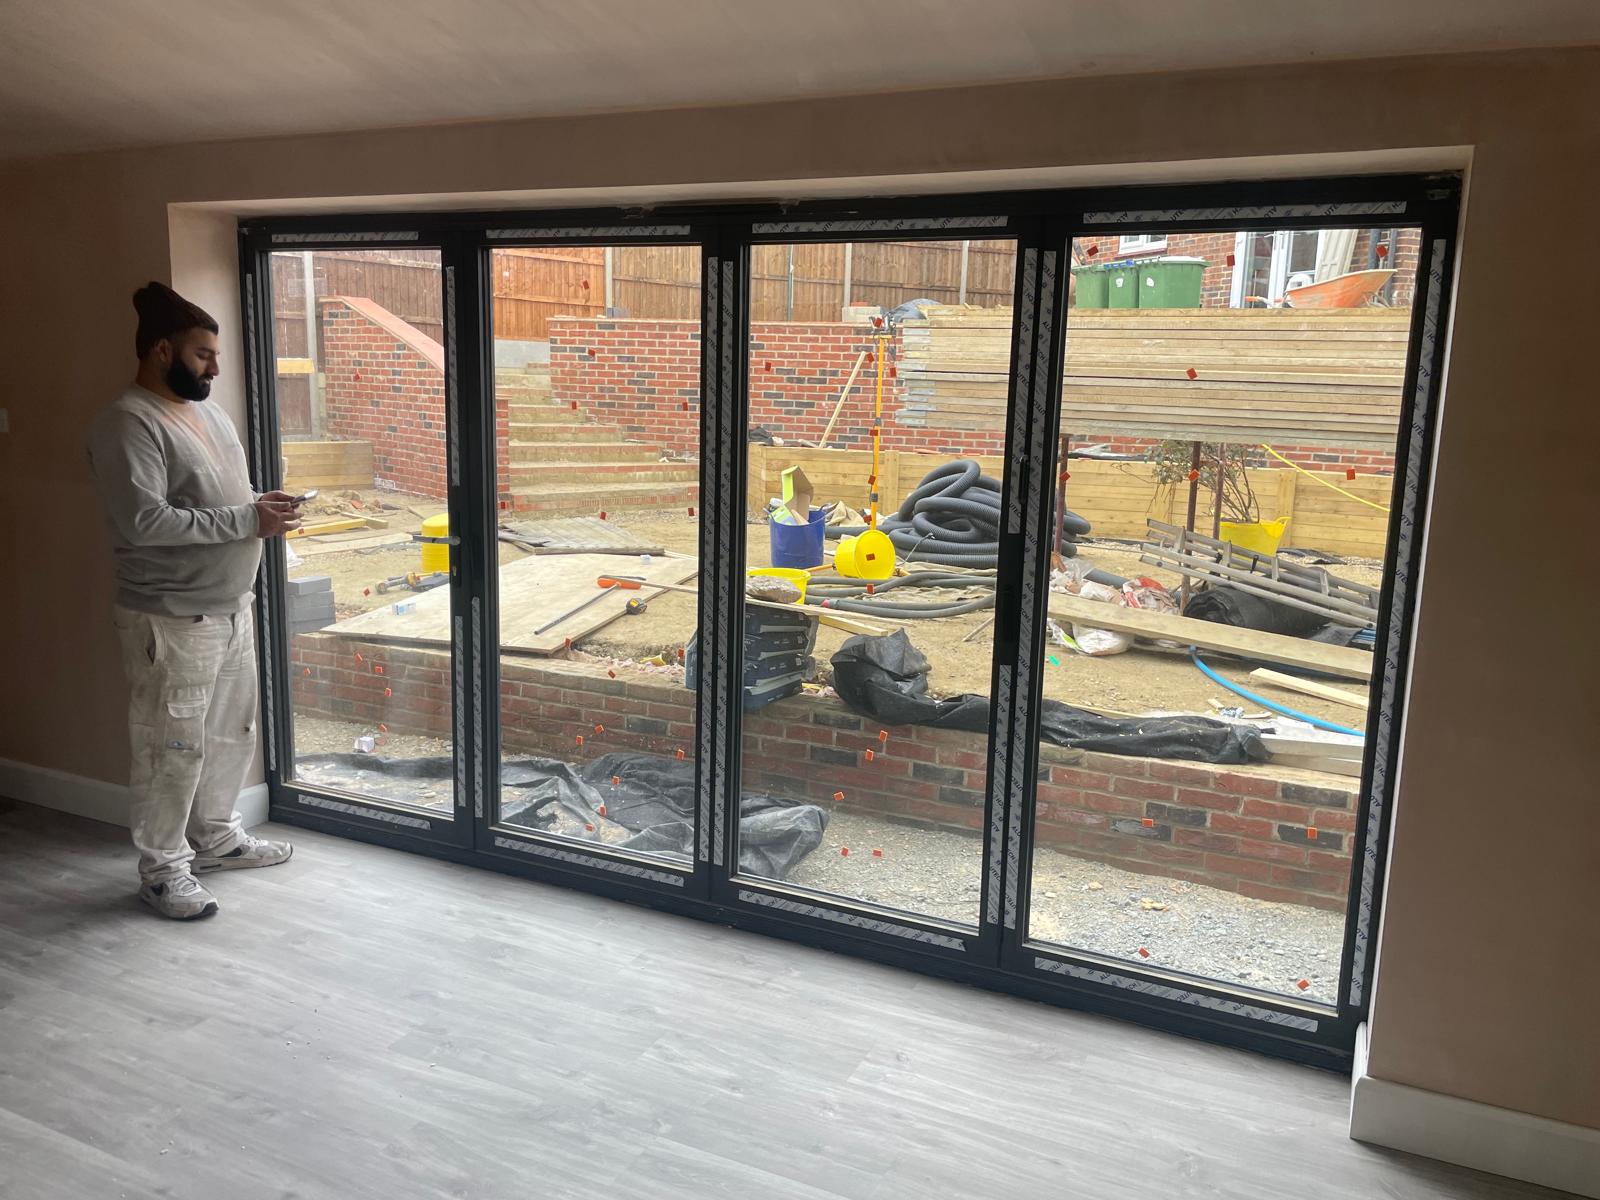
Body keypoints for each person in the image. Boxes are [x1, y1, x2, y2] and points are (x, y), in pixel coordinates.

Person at [87, 282, 302, 920]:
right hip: (171, 618)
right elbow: (144, 522)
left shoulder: (209, 414)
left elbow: (219, 500)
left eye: (215, 355)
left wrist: (261, 506)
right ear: (162, 350)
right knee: (171, 748)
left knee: (231, 734)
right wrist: (247, 519)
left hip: (232, 606)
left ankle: (215, 839)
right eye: (203, 354)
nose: (215, 368)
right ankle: (162, 873)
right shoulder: (127, 423)